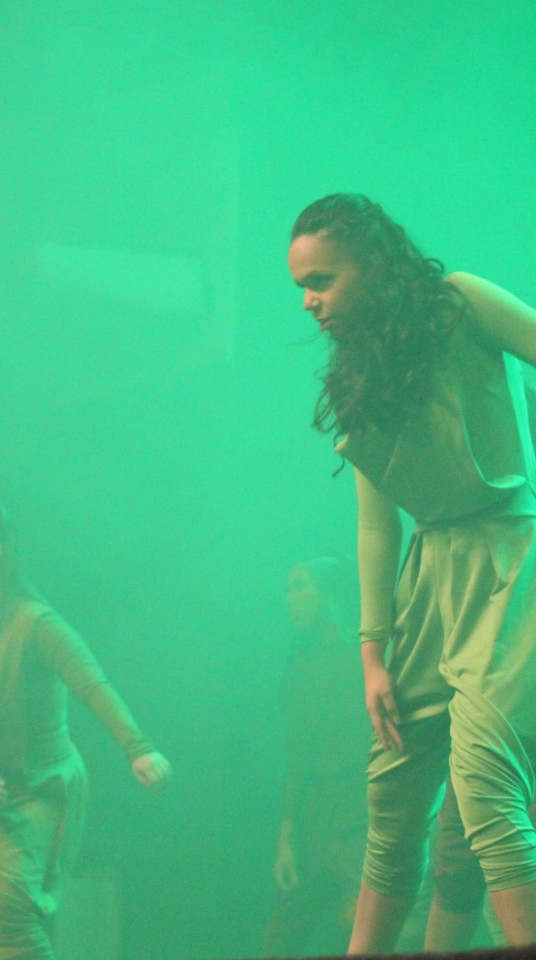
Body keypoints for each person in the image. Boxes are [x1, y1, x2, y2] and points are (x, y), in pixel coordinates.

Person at [287, 193, 536, 949]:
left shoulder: (457, 302)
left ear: (373, 263)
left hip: (512, 562)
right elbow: (375, 524)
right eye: (303, 285)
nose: (309, 301)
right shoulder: (358, 374)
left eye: (323, 279)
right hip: (430, 580)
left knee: (488, 779)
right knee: (393, 794)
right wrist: (372, 653)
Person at [0, 503, 171, 960]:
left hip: (37, 787)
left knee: (8, 908)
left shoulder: (35, 623)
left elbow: (91, 684)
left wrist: (137, 748)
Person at [262, 556, 370, 955]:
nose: (290, 598)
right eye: (288, 588)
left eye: (300, 585)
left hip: (360, 809)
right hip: (314, 815)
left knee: (365, 928)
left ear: (330, 592)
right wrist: (286, 840)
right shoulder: (298, 664)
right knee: (283, 934)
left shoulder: (368, 655)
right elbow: (296, 759)